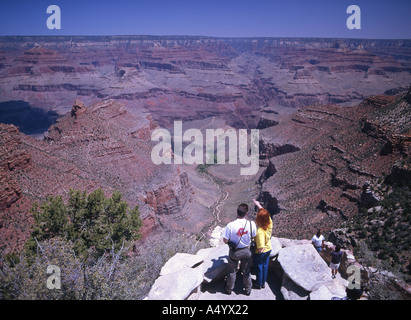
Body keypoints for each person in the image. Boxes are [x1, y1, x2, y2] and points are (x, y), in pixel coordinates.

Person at [222, 203, 257, 296]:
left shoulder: (230, 225)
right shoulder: (251, 224)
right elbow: (254, 236)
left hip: (235, 252)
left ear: (237, 212)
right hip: (246, 251)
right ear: (247, 213)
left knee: (232, 272)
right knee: (246, 271)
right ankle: (248, 289)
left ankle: (229, 289)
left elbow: (225, 240)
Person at [252, 199, 272, 289]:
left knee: (259, 268)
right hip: (269, 248)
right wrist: (258, 205)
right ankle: (263, 282)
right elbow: (265, 214)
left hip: (262, 252)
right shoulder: (269, 223)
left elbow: (260, 247)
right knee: (265, 267)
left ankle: (258, 284)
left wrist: (257, 251)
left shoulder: (259, 231)